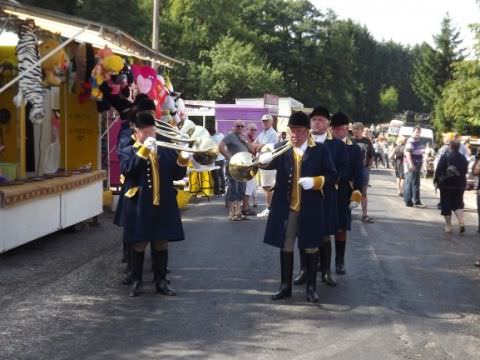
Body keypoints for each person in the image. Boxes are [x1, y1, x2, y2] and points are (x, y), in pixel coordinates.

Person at [261, 111, 337, 303]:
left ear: (307, 132)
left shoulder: (320, 150)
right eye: (292, 130)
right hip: (287, 209)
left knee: (311, 247)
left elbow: (332, 175)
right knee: (286, 247)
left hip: (310, 208)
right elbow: (266, 165)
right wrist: (263, 161)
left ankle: (311, 288)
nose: (294, 134)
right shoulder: (283, 149)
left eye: (299, 131)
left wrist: (316, 181)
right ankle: (285, 286)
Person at [119, 112, 189, 297]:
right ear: (137, 130)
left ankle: (161, 281)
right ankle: (136, 281)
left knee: (161, 242)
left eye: (152, 131)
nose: (150, 135)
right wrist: (143, 151)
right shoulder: (129, 150)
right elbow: (128, 170)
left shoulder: (165, 150)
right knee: (139, 243)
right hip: (140, 204)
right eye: (146, 131)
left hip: (163, 202)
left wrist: (183, 159)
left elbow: (177, 175)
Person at [293, 106, 347, 288]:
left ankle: (325, 271)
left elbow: (342, 170)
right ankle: (304, 270)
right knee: (303, 234)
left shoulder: (338, 145)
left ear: (328, 124)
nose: (317, 122)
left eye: (321, 120)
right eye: (314, 119)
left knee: (324, 236)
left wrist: (322, 181)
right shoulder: (300, 142)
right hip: (303, 196)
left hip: (327, 196)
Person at [330, 112, 363, 274]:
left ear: (346, 129)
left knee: (341, 227)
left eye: (340, 129)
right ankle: (322, 263)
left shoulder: (354, 149)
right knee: (323, 228)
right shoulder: (325, 145)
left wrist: (357, 194)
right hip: (326, 189)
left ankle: (340, 259)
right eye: (334, 129)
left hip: (344, 190)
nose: (337, 132)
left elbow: (359, 173)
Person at [219, 120, 257, 221]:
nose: (240, 128)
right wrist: (229, 158)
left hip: (243, 168)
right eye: (238, 126)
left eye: (242, 126)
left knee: (241, 190)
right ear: (234, 127)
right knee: (232, 189)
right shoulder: (230, 136)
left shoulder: (242, 137)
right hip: (233, 167)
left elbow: (252, 150)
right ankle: (232, 214)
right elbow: (220, 146)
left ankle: (239, 213)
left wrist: (244, 141)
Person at [433, 140, 468, 233]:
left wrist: (436, 181)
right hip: (460, 184)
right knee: (458, 203)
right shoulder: (463, 157)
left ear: (450, 146)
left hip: (447, 184)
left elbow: (439, 169)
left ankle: (448, 226)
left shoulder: (445, 156)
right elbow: (465, 171)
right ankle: (461, 223)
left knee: (446, 204)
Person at [352, 122, 375, 223]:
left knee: (363, 192)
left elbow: (371, 154)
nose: (356, 131)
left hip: (363, 169)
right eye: (354, 129)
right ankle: (347, 213)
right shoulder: (349, 141)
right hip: (351, 169)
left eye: (358, 129)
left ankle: (364, 214)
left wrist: (369, 166)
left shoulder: (367, 141)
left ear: (362, 130)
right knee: (349, 191)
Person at [255, 114, 278, 218]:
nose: (265, 122)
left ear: (271, 122)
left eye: (267, 121)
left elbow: (270, 147)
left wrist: (260, 146)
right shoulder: (261, 134)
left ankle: (270, 208)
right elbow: (255, 145)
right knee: (265, 186)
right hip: (262, 162)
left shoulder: (273, 134)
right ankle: (270, 207)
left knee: (268, 186)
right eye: (263, 121)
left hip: (269, 163)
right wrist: (258, 146)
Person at [404, 126, 426, 208]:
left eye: (419, 132)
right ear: (412, 132)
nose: (418, 134)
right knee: (412, 182)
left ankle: (412, 201)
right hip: (413, 164)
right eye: (416, 132)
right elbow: (407, 153)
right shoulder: (411, 141)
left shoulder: (417, 141)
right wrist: (411, 164)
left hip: (417, 163)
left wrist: (422, 151)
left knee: (413, 182)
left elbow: (417, 151)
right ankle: (412, 201)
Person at [242, 123, 258, 216]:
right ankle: (245, 207)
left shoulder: (251, 139)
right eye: (251, 129)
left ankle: (246, 206)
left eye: (255, 130)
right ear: (247, 129)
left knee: (250, 187)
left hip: (251, 165)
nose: (253, 131)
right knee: (248, 188)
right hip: (247, 166)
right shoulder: (246, 139)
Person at [208, 126, 226, 195]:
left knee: (215, 176)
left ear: (210, 132)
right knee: (221, 175)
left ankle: (217, 191)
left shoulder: (210, 139)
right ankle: (223, 190)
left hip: (214, 159)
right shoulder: (221, 135)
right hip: (222, 158)